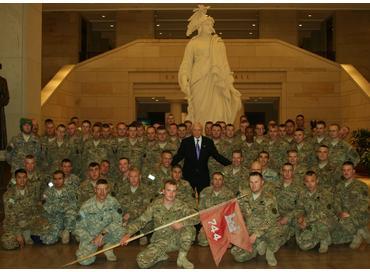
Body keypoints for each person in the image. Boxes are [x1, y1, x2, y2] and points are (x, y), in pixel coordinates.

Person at [178, 5, 241, 126]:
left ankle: (215, 136)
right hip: (198, 81)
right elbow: (186, 63)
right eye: (207, 24)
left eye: (211, 24)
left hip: (216, 80)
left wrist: (229, 84)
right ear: (200, 27)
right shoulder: (193, 43)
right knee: (199, 111)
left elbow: (224, 65)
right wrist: (184, 77)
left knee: (217, 111)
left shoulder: (217, 43)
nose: (210, 27)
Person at [120, 180, 199, 269]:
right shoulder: (155, 205)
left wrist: (182, 223)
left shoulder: (182, 205)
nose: (171, 194)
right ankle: (160, 255)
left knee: (189, 228)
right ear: (163, 191)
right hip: (161, 240)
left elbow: (197, 217)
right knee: (142, 262)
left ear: (176, 192)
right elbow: (141, 220)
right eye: (168, 190)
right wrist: (128, 234)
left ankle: (182, 258)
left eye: (173, 191)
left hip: (177, 238)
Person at [231, 172, 284, 266]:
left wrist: (256, 234)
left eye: (256, 182)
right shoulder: (243, 196)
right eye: (251, 182)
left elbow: (270, 220)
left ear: (262, 182)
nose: (253, 185)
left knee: (275, 232)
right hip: (249, 230)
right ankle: (258, 246)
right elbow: (236, 212)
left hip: (266, 231)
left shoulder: (269, 198)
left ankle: (270, 251)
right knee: (236, 255)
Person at [75, 179, 124, 265]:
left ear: (108, 189)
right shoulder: (86, 206)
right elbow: (78, 227)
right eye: (99, 189)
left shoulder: (113, 202)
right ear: (95, 190)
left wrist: (102, 234)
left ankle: (108, 247)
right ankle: (87, 249)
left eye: (104, 189)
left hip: (107, 234)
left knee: (122, 231)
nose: (102, 192)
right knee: (84, 261)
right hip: (91, 237)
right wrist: (92, 239)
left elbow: (118, 222)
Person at [172, 122, 231, 193]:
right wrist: (169, 164)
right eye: (195, 130)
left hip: (203, 176)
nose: (197, 132)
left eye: (199, 130)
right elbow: (179, 156)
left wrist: (231, 164)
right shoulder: (186, 142)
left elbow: (217, 156)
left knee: (203, 197)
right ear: (191, 130)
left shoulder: (208, 142)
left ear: (202, 131)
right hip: (188, 175)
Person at [1, 169, 47, 249]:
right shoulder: (9, 195)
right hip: (14, 224)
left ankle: (27, 234)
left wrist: (41, 219)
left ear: (27, 179)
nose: (22, 180)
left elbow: (36, 207)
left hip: (29, 221)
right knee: (8, 243)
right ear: (15, 179)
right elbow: (10, 217)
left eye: (24, 177)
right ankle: (24, 236)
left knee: (47, 232)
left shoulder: (31, 191)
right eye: (19, 177)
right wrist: (18, 234)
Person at [331, 161, 370, 248]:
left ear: (353, 171)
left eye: (349, 170)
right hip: (343, 214)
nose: (346, 172)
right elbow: (335, 202)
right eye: (344, 170)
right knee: (335, 239)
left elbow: (364, 203)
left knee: (343, 221)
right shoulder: (339, 186)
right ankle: (359, 232)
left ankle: (359, 232)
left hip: (358, 215)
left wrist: (350, 213)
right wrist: (339, 212)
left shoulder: (361, 186)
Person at [40, 170, 78, 245]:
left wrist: (58, 207)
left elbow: (74, 205)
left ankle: (67, 231)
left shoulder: (70, 190)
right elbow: (46, 206)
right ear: (53, 180)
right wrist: (62, 207)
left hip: (68, 218)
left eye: (60, 178)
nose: (57, 181)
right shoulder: (48, 191)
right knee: (48, 241)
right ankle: (61, 233)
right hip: (55, 218)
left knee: (72, 213)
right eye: (55, 179)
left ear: (64, 179)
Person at [197, 172, 234, 246]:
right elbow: (201, 210)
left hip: (224, 224)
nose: (217, 182)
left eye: (220, 179)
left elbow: (232, 212)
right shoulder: (205, 192)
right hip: (209, 223)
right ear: (212, 181)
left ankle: (220, 240)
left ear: (223, 181)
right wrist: (204, 223)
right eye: (215, 179)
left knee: (227, 244)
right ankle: (217, 241)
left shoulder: (229, 194)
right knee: (203, 241)